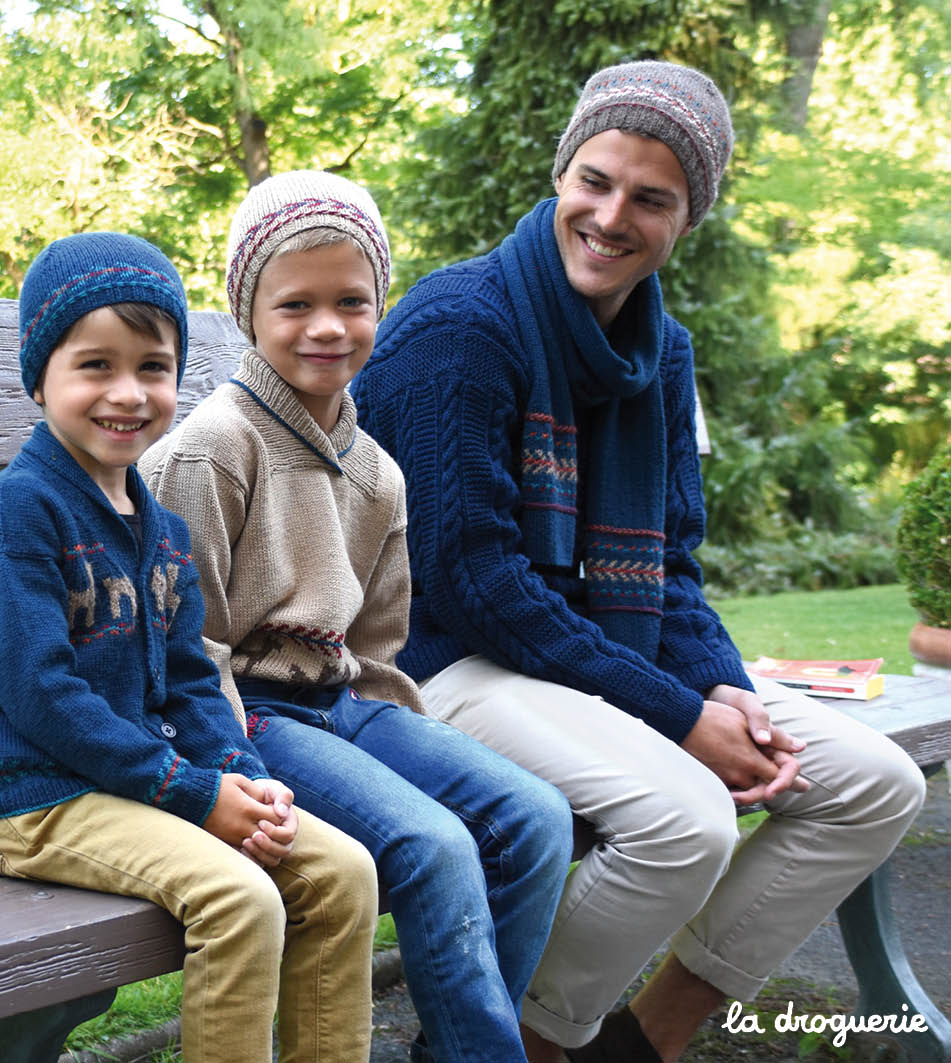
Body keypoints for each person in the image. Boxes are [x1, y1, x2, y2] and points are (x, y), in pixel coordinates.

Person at [352, 60, 927, 1063]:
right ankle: (497, 1044)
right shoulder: (460, 329)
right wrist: (677, 716)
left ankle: (638, 1045)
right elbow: (469, 582)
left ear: (683, 221)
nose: (611, 216)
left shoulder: (661, 353)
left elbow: (671, 561)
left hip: (585, 654)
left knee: (873, 781)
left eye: (649, 199)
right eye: (594, 180)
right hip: (438, 659)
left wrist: (726, 693)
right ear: (561, 175)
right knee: (687, 817)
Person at [140, 170, 574, 1063]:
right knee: (434, 846)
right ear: (248, 312)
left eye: (353, 300)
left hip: (338, 704)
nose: (328, 326)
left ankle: (453, 1047)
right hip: (239, 714)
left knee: (535, 819)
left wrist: (413, 753)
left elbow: (375, 649)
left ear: (380, 303)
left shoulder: (376, 471)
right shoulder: (213, 450)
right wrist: (228, 770)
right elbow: (186, 650)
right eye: (296, 303)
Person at [0, 231, 378, 1063]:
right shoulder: (18, 512)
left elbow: (189, 682)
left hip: (129, 783)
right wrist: (189, 790)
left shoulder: (162, 532)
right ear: (41, 377)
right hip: (31, 795)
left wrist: (242, 777)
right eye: (95, 365)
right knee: (239, 898)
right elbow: (42, 695)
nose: (127, 392)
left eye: (153, 366)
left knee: (342, 871)